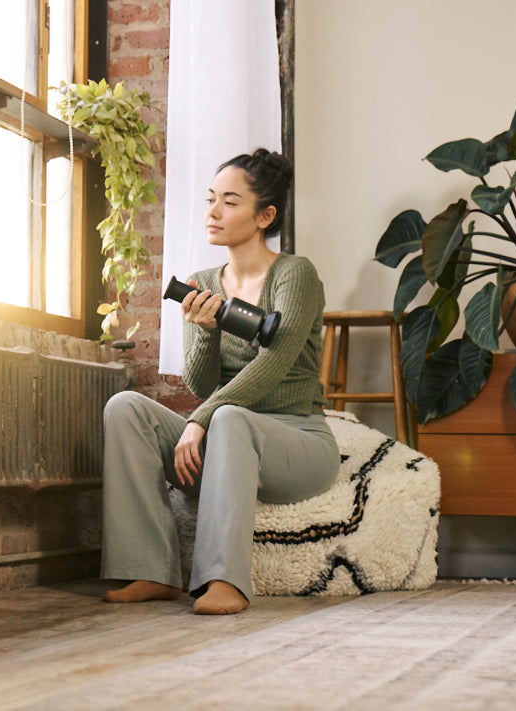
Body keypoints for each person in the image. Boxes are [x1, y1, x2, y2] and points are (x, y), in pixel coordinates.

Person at [101, 148, 338, 615]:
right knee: (125, 408)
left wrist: (200, 420)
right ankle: (150, 570)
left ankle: (224, 580)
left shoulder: (295, 275)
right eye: (211, 199)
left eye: (230, 202)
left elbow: (273, 364)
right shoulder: (203, 283)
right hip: (229, 437)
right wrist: (206, 331)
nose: (212, 211)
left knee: (229, 416)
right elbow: (202, 383)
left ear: (265, 216)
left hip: (298, 440)